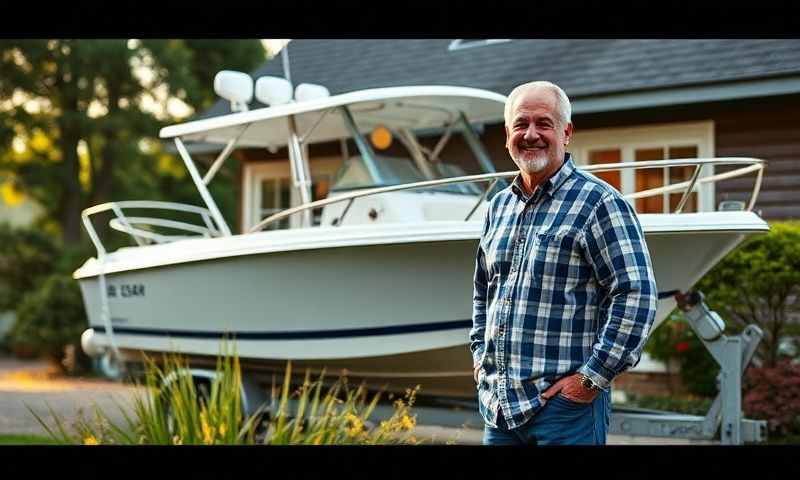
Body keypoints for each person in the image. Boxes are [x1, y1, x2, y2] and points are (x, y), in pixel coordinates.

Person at [469, 81, 658, 445]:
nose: (531, 134)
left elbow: (636, 294)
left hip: (565, 411)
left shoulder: (599, 202)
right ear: (508, 134)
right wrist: (480, 356)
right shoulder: (499, 207)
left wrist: (591, 379)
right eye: (521, 124)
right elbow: (483, 290)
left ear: (566, 132)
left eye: (544, 123)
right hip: (500, 410)